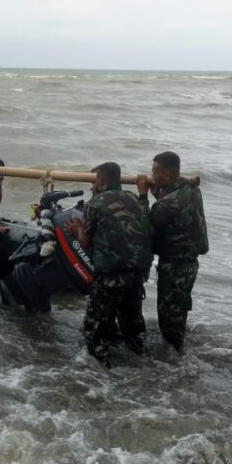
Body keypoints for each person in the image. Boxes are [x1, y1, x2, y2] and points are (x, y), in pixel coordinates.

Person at [65, 162, 152, 366]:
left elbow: (84, 241)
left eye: (93, 180)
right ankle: (141, 361)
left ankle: (99, 376)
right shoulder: (133, 198)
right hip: (137, 272)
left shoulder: (95, 204)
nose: (91, 185)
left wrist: (76, 229)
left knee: (95, 329)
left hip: (111, 275)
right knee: (132, 324)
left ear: (101, 180)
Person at [136, 151, 209, 354]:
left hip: (174, 268)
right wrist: (156, 193)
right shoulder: (192, 191)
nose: (152, 176)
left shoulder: (165, 205)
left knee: (168, 318)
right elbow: (174, 203)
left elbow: (145, 229)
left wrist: (143, 196)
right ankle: (178, 350)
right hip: (189, 265)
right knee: (179, 312)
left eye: (154, 172)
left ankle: (176, 359)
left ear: (167, 175)